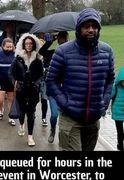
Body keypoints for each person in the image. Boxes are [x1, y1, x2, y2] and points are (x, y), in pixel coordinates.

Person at [46, 8, 115, 151]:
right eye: (86, 26)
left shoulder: (106, 51)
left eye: (94, 26)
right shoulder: (63, 51)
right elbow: (51, 80)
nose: (91, 30)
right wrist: (65, 103)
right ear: (79, 28)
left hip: (93, 118)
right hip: (71, 119)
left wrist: (105, 100)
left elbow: (110, 79)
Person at [9, 33, 44, 146]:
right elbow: (11, 73)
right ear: (23, 45)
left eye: (30, 43)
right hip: (21, 90)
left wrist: (37, 84)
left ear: (33, 45)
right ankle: (21, 124)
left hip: (33, 90)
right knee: (22, 112)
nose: (28, 45)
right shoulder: (18, 59)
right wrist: (15, 82)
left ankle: (30, 137)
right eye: (26, 43)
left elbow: (41, 75)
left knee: (31, 113)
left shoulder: (38, 59)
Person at [39, 31, 69, 143]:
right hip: (54, 89)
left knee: (67, 116)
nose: (63, 41)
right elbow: (41, 51)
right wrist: (50, 41)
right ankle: (52, 130)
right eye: (60, 39)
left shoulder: (71, 54)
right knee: (54, 114)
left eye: (64, 38)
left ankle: (64, 136)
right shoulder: (54, 53)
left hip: (67, 89)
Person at [0, 38, 16, 125]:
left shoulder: (15, 56)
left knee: (11, 100)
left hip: (11, 82)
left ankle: (11, 117)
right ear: (3, 46)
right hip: (0, 81)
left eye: (10, 47)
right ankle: (1, 109)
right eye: (7, 47)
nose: (9, 49)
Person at [111, 67, 124, 151]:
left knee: (121, 132)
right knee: (119, 131)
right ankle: (120, 146)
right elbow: (109, 96)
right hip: (117, 112)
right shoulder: (115, 87)